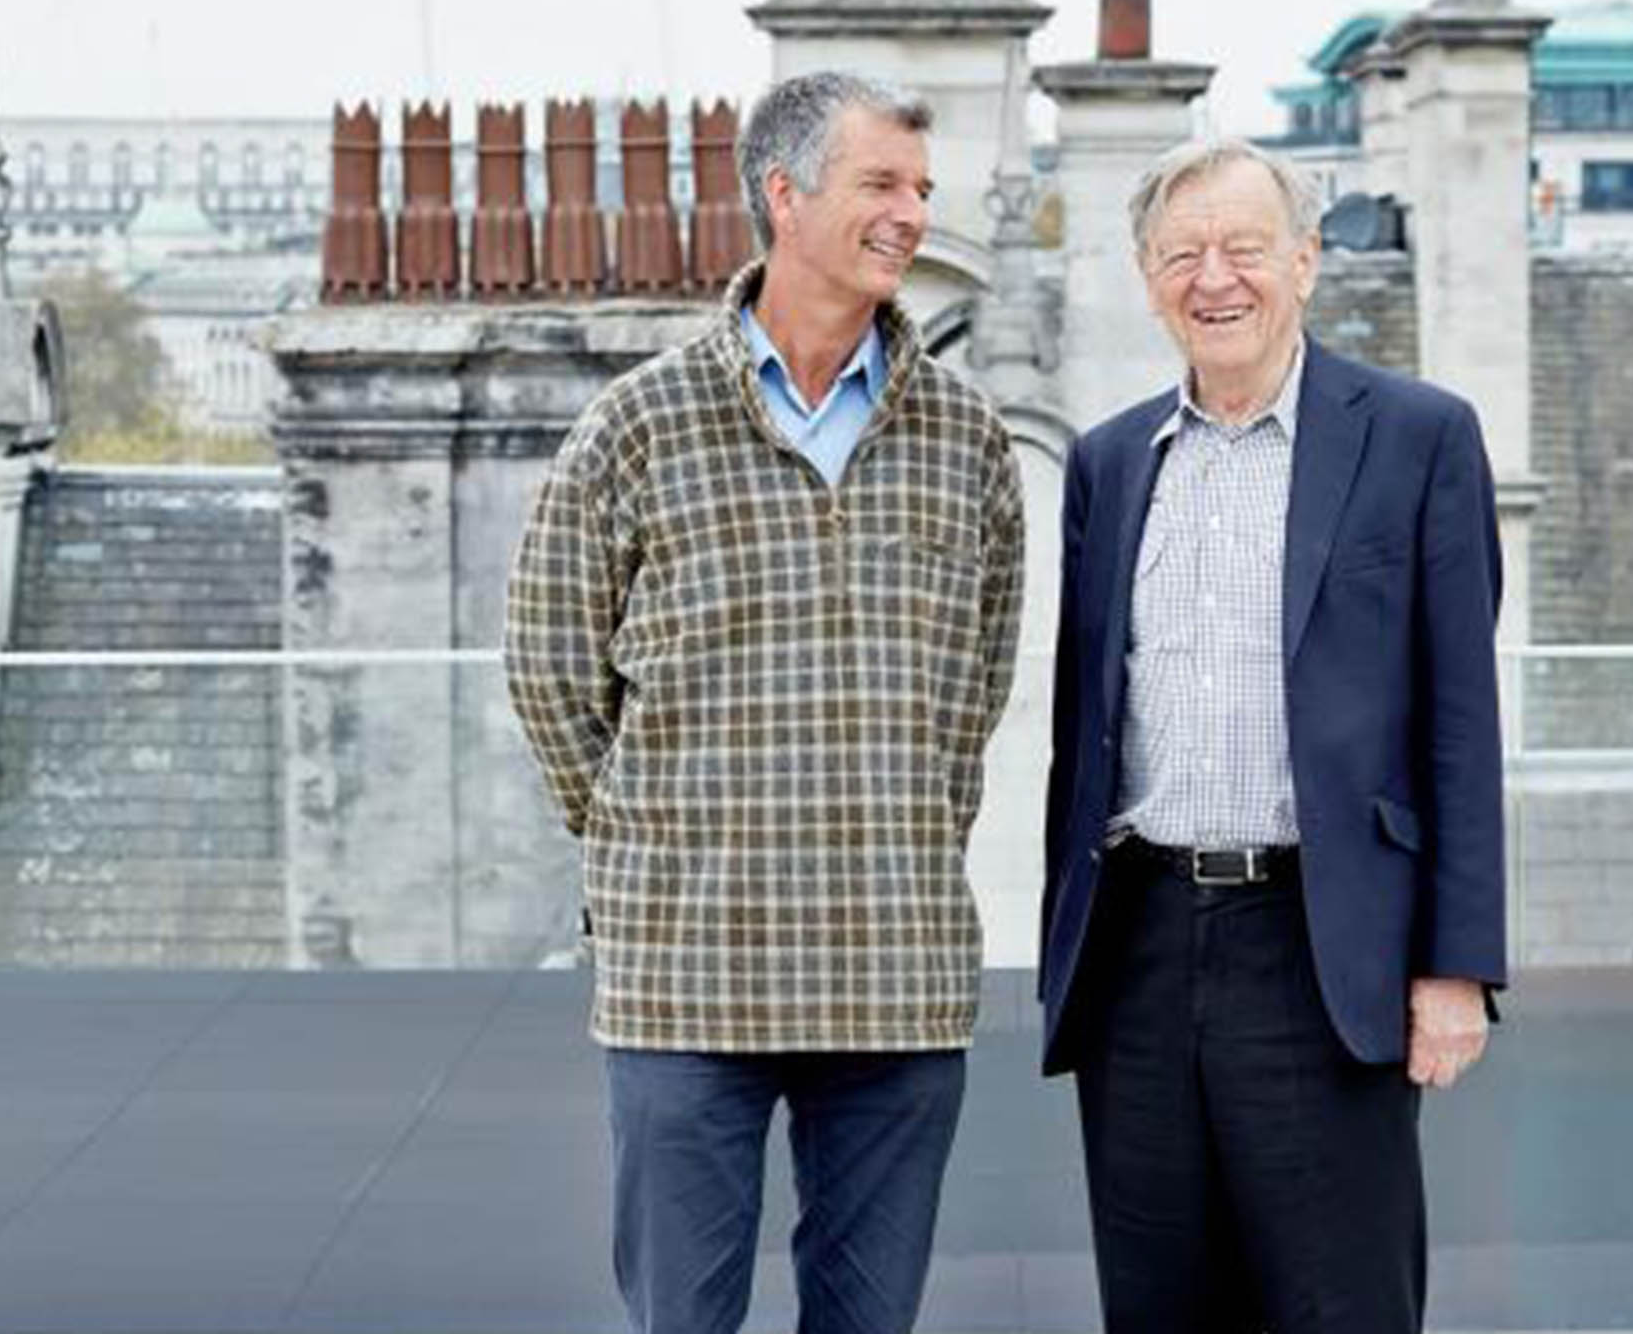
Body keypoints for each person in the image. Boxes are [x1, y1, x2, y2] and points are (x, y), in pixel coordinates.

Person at [505, 70, 1025, 1334]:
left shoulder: (968, 439)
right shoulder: (636, 425)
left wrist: (892, 838)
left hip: (896, 975)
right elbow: (549, 669)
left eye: (922, 188)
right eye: (882, 185)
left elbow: (973, 699)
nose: (913, 214)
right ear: (784, 198)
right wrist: (649, 841)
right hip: (687, 976)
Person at [1039, 137, 1505, 1333]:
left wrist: (1455, 966)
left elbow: (1459, 720)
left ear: (1304, 261)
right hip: (1136, 948)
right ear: (1147, 276)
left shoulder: (1416, 436)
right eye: (1181, 254)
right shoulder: (1106, 464)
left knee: (1340, 1303)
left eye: (1244, 248)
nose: (1215, 279)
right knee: (1159, 1306)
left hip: (1319, 942)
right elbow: (1081, 732)